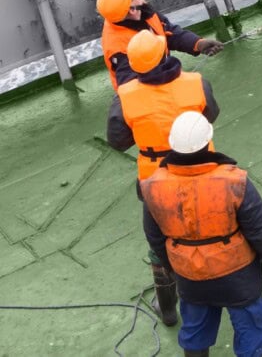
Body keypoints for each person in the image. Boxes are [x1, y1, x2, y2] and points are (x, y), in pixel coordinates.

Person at [141, 111, 262, 357]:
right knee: (252, 328)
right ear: (208, 141)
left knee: (195, 328)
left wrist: (173, 265)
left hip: (189, 276)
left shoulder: (153, 186)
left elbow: (154, 236)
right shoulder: (233, 181)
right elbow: (260, 229)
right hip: (236, 275)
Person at [107, 29, 221, 327]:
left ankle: (168, 308)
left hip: (157, 182)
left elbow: (117, 140)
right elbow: (210, 115)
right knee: (216, 225)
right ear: (164, 55)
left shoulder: (124, 97)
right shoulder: (197, 83)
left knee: (158, 241)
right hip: (204, 170)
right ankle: (221, 280)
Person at [96, 0, 224, 90]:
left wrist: (197, 43)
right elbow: (130, 86)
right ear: (132, 10)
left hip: (163, 77)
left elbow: (170, 32)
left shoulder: (144, 12)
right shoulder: (118, 47)